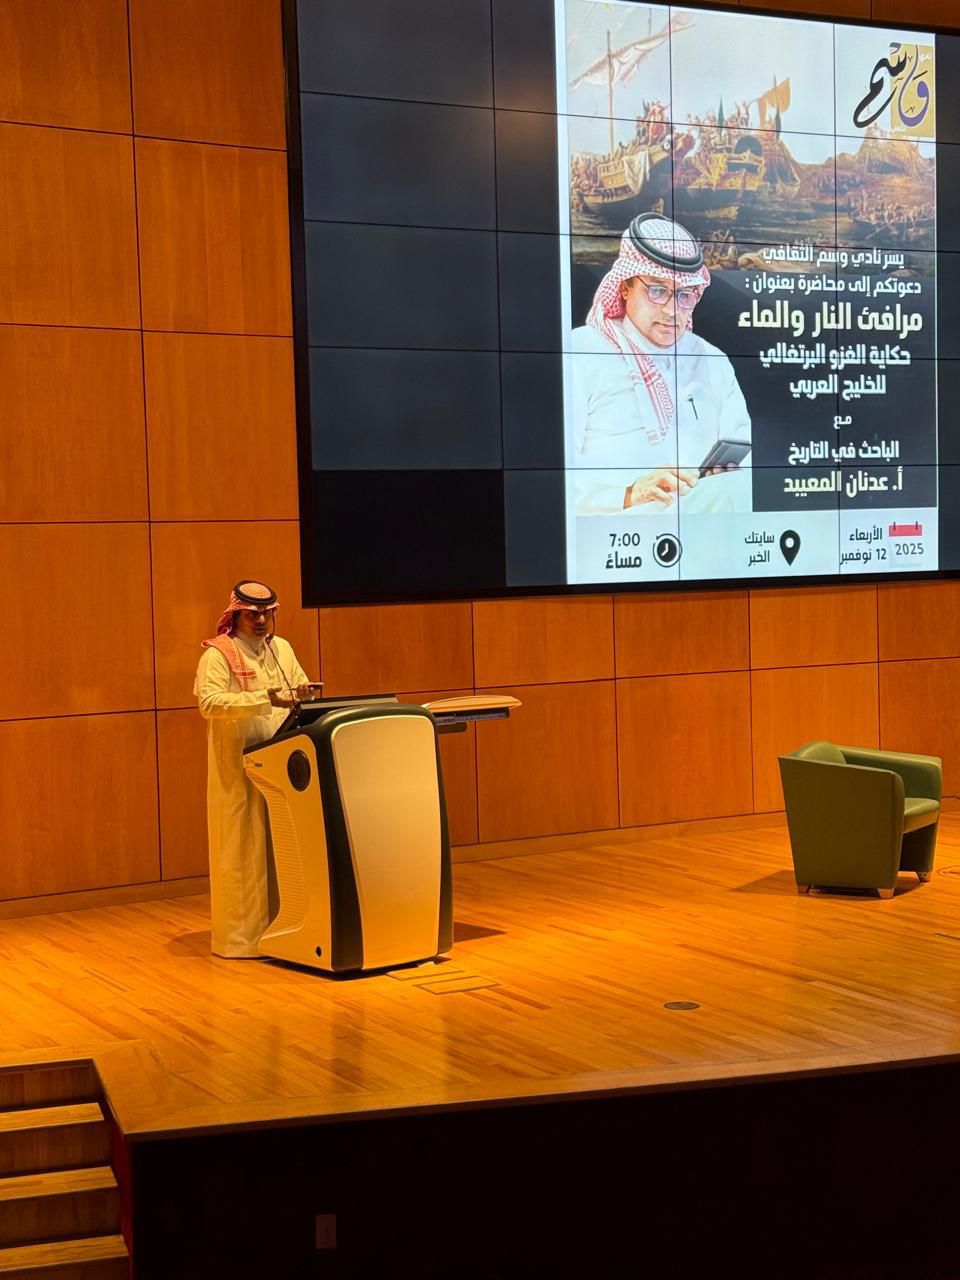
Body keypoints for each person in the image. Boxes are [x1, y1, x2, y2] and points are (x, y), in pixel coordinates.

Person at [569, 212, 752, 516]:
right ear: (624, 287)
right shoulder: (579, 352)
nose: (671, 310)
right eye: (657, 291)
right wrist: (630, 494)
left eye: (684, 295)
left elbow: (746, 465)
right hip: (614, 530)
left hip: (705, 525)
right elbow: (548, 477)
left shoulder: (713, 362)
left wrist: (722, 479)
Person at [195, 580, 317, 959]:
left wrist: (305, 695)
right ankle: (242, 941)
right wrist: (266, 699)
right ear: (235, 615)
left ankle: (286, 933)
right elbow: (209, 703)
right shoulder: (218, 655)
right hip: (238, 771)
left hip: (283, 767)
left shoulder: (281, 649)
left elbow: (297, 687)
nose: (261, 620)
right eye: (252, 614)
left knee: (285, 851)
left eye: (267, 613)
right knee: (243, 852)